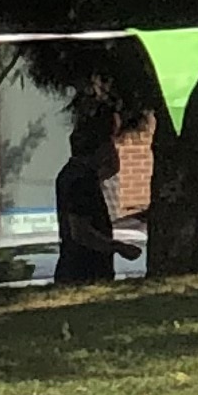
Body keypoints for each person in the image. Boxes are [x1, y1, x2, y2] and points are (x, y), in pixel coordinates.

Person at [52, 113, 121, 285]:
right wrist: (117, 246)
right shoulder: (82, 180)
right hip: (85, 272)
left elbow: (112, 168)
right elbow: (81, 232)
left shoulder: (72, 175)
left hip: (75, 268)